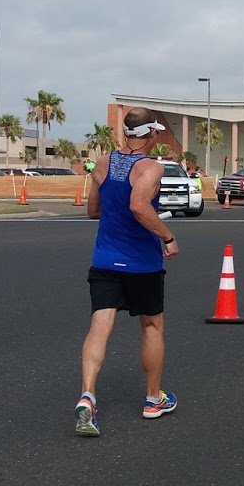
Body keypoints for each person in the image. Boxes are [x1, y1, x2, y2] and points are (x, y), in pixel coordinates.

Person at [75, 108, 180, 437]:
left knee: (100, 326)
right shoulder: (151, 168)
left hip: (105, 260)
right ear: (152, 134)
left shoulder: (102, 163)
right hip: (141, 264)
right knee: (151, 326)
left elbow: (93, 210)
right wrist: (168, 237)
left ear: (125, 133)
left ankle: (87, 395)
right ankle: (153, 399)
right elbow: (138, 205)